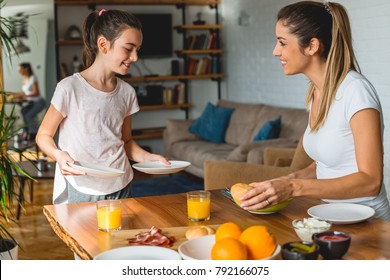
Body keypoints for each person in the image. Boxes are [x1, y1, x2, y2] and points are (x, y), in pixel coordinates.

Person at [239, 1, 390, 220]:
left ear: (311, 46)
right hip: (329, 214)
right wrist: (282, 182)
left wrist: (293, 187)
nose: (275, 51)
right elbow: (325, 166)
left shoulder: (356, 91)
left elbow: (371, 181)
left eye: (282, 42)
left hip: (369, 222)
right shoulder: (316, 93)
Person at [36, 9, 170, 204]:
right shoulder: (69, 88)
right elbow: (43, 135)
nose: (135, 57)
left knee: (123, 235)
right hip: (82, 185)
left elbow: (126, 142)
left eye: (137, 50)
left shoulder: (127, 93)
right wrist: (58, 155)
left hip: (121, 184)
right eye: (128, 48)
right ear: (103, 45)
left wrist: (148, 157)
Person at [12, 62, 46, 140]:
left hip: (39, 102)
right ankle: (28, 131)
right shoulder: (24, 79)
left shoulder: (33, 78)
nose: (19, 71)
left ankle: (34, 134)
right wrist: (15, 96)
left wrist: (24, 96)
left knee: (28, 115)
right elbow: (24, 93)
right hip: (31, 102)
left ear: (26, 69)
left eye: (20, 69)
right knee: (23, 111)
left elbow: (36, 92)